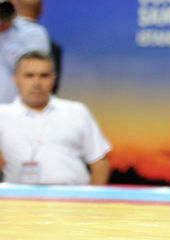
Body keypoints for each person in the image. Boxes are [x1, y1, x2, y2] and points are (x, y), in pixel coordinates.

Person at [0, 51, 111, 185]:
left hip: (73, 199)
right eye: (29, 76)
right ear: (16, 78)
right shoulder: (3, 115)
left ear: (54, 79)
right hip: (18, 201)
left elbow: (99, 160)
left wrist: (94, 202)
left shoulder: (76, 112)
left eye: (44, 76)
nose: (36, 83)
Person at [0, 0, 51, 105]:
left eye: (9, 5)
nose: (4, 10)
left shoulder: (33, 33)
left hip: (19, 114)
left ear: (18, 5)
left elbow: (35, 72)